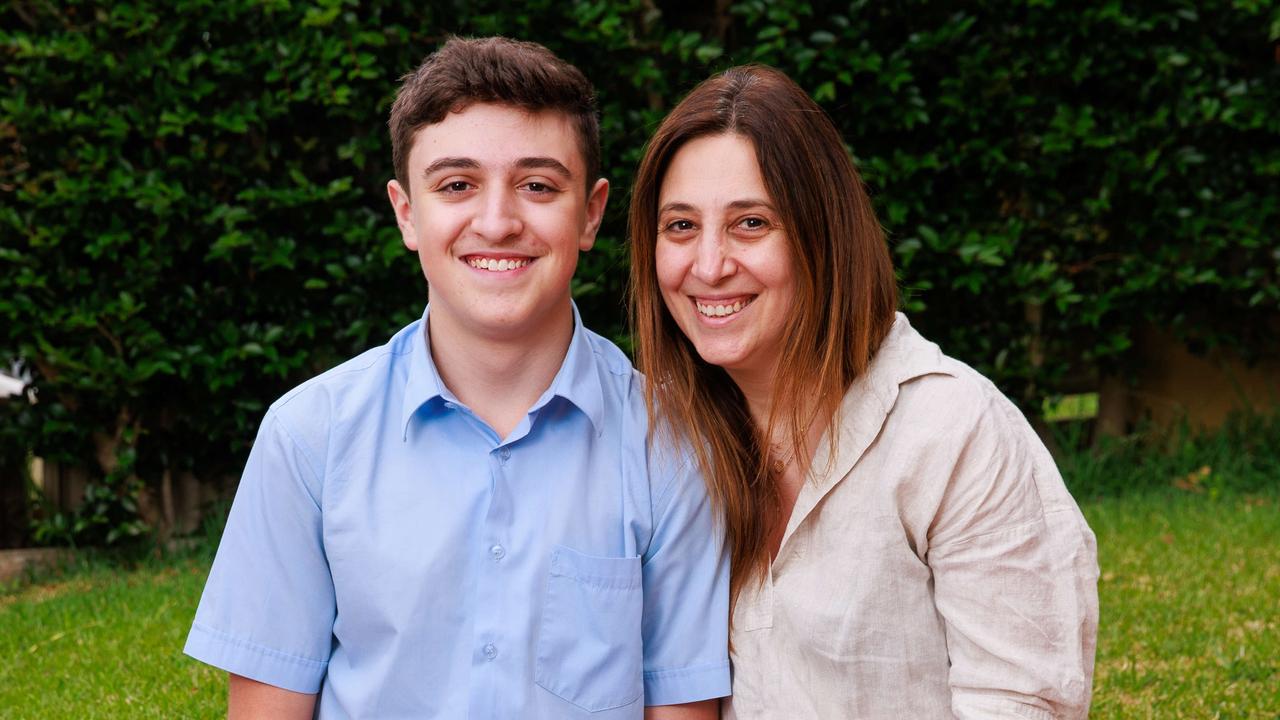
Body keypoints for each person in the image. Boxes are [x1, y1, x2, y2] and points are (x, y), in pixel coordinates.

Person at [185, 37, 729, 719]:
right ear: (406, 212)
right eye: (455, 185)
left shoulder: (671, 447)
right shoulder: (309, 439)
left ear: (590, 214)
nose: (497, 222)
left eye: (537, 185)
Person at [629, 65, 1099, 719]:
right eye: (680, 227)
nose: (708, 265)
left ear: (823, 235)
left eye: (751, 224)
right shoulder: (662, 438)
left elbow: (1020, 701)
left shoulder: (951, 432)